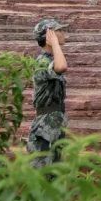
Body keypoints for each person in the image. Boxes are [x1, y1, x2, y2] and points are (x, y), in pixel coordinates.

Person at [26, 17, 68, 166]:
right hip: (44, 126)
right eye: (59, 31)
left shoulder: (50, 58)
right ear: (49, 36)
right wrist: (55, 43)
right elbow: (62, 67)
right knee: (41, 172)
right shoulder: (43, 61)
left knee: (55, 171)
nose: (63, 33)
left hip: (54, 122)